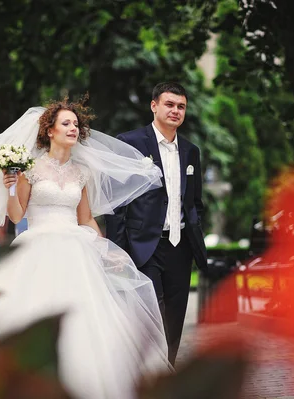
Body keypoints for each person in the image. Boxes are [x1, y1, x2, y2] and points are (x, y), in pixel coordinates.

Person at [0, 99, 172, 399]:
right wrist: (10, 185)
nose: (73, 128)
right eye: (66, 124)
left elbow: (85, 218)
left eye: (76, 124)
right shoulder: (29, 169)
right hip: (37, 248)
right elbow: (16, 215)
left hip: (77, 249)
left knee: (85, 322)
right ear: (49, 130)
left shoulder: (82, 174)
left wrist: (105, 249)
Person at [105, 82, 207, 366]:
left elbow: (194, 200)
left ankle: (167, 373)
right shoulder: (131, 142)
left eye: (181, 106)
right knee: (150, 315)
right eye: (170, 104)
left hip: (181, 246)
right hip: (144, 246)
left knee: (175, 316)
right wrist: (117, 248)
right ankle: (147, 378)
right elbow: (117, 202)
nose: (176, 111)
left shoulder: (190, 151)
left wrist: (195, 229)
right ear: (154, 106)